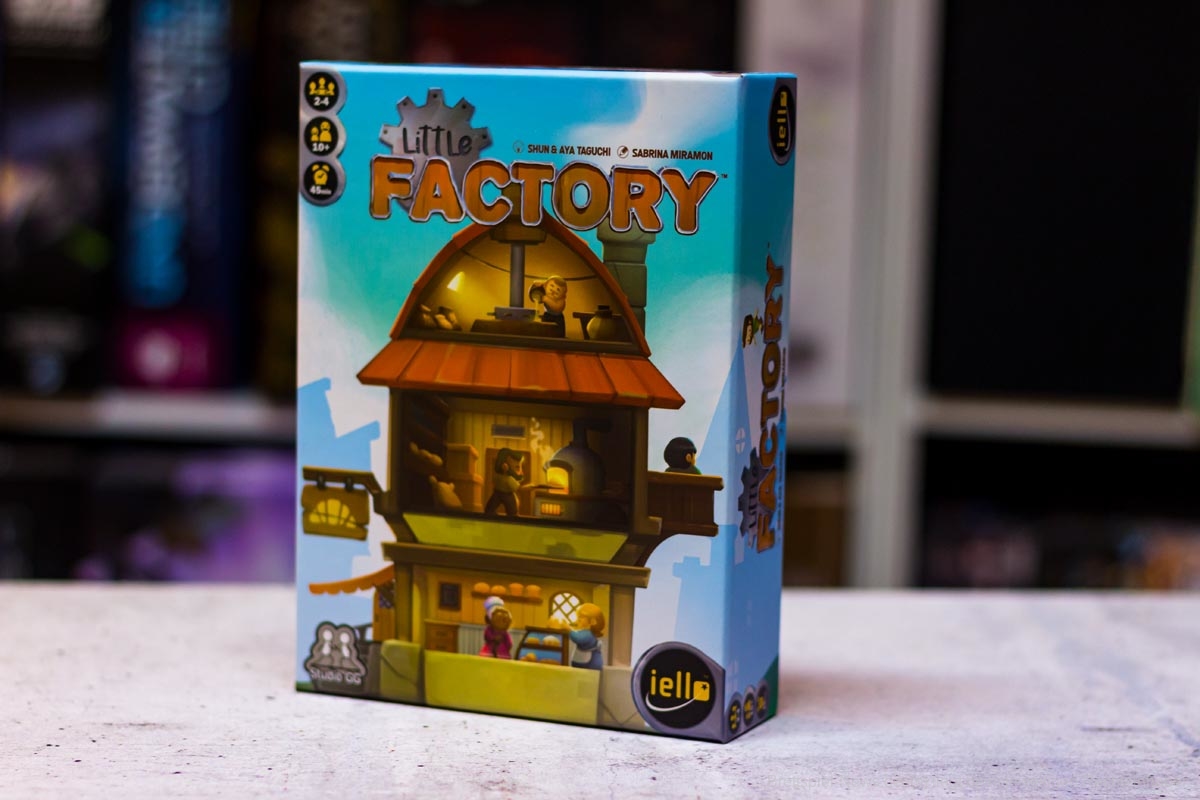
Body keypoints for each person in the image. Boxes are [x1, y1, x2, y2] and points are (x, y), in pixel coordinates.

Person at [484, 448, 523, 516]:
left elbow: (515, 486)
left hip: (506, 494)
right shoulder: (506, 477)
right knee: (489, 509)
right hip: (499, 492)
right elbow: (515, 486)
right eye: (517, 467)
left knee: (512, 512)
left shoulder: (508, 477)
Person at [569, 603, 605, 670]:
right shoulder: (584, 632)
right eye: (578, 617)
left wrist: (568, 630)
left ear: (593, 621)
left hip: (589, 665)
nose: (578, 620)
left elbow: (578, 638)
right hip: (582, 662)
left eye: (581, 617)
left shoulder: (589, 634)